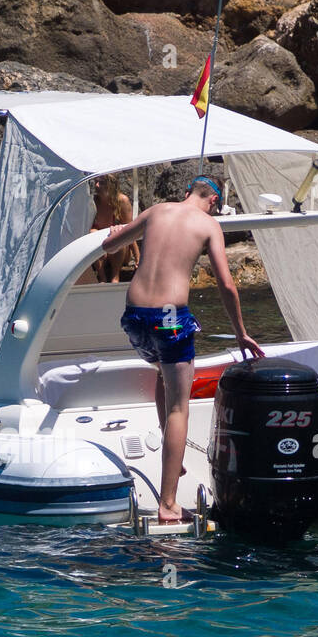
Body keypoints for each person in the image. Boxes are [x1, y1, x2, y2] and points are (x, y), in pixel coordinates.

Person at [101, 176, 264, 522]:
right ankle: (169, 503)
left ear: (187, 192)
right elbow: (226, 284)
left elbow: (110, 246)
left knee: (163, 374)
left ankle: (172, 460)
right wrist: (241, 334)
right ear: (214, 201)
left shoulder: (156, 211)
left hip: (134, 317)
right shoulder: (208, 224)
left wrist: (116, 233)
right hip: (170, 319)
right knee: (179, 407)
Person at [91, 173, 138, 282]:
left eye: (101, 183)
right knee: (92, 232)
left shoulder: (122, 201)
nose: (97, 185)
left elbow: (130, 230)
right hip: (101, 252)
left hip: (120, 252)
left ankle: (115, 277)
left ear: (111, 185)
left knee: (118, 231)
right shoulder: (93, 202)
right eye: (96, 182)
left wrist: (138, 257)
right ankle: (102, 277)